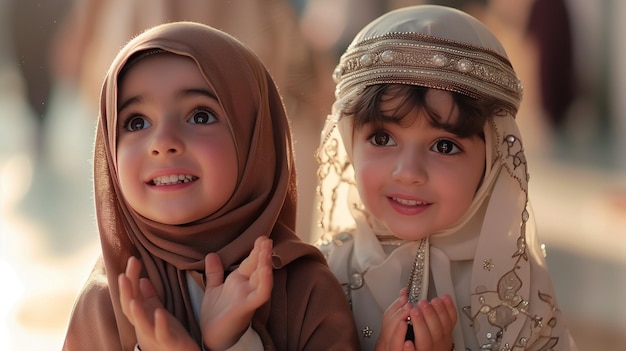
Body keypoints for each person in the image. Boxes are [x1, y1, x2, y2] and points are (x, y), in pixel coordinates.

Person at [62, 21, 359, 351]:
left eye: (200, 116)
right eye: (136, 122)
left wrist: (234, 343)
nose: (163, 143)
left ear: (254, 140)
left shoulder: (305, 292)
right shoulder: (107, 304)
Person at [316, 5, 577, 351]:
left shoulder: (519, 291)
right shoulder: (325, 275)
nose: (408, 173)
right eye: (382, 139)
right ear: (350, 143)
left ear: (493, 160)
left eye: (443, 146)